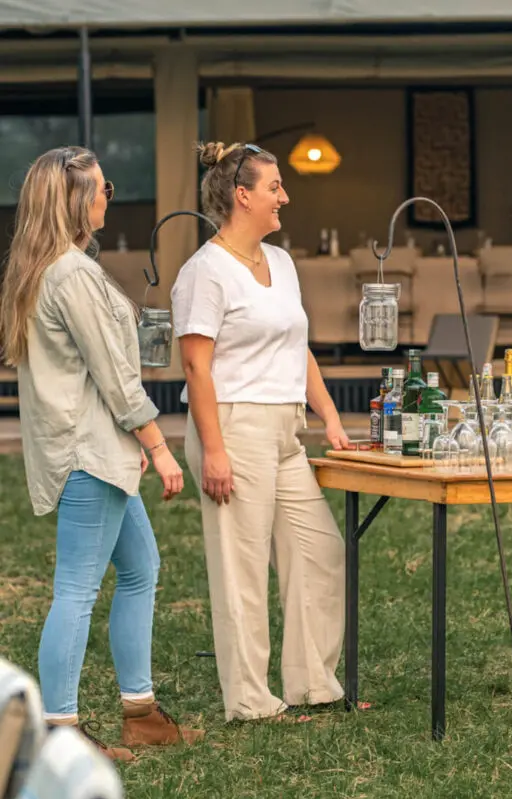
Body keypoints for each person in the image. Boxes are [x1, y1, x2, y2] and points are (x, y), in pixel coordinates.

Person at [0, 146, 203, 761]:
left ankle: (139, 712)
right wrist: (158, 447)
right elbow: (116, 377)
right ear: (74, 200)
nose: (108, 194)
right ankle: (58, 734)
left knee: (141, 567)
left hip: (93, 448)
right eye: (102, 187)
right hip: (87, 454)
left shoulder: (50, 268)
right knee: (76, 591)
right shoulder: (72, 274)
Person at [172, 141, 364, 723]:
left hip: (285, 429)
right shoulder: (204, 271)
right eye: (275, 186)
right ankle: (252, 701)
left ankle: (312, 684)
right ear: (242, 195)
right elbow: (195, 366)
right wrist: (214, 450)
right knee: (243, 568)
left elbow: (297, 346)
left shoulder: (279, 263)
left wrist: (329, 416)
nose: (285, 195)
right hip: (231, 424)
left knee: (321, 550)